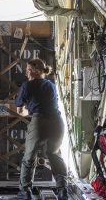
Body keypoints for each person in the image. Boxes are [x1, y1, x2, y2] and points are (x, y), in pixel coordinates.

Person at [15, 59, 67, 200]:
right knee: (54, 154)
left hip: (40, 122)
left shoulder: (27, 86)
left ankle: (25, 192)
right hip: (57, 123)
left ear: (36, 70)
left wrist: (31, 110)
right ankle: (63, 190)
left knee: (29, 158)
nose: (26, 72)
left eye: (28, 69)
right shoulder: (51, 85)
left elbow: (20, 111)